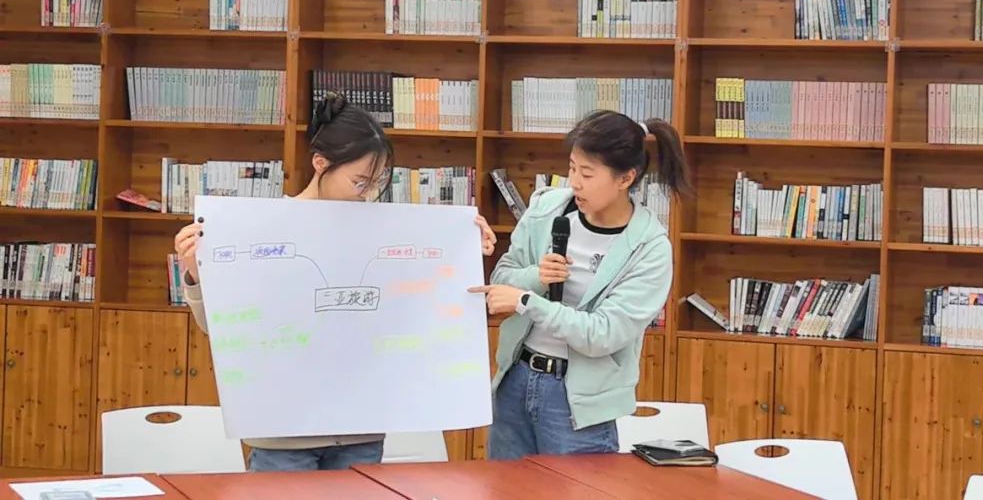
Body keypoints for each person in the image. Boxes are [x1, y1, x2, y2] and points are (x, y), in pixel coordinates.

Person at [173, 94, 497, 471]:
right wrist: (196, 274)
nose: (367, 193)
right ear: (320, 163)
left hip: (360, 430)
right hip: (283, 432)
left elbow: (418, 310)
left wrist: (463, 253)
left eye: (376, 182)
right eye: (359, 181)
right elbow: (222, 328)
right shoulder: (261, 229)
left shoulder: (386, 233)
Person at [468, 110, 692, 459]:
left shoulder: (649, 248)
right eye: (572, 168)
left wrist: (528, 301)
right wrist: (536, 277)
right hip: (515, 380)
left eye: (587, 173)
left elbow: (602, 334)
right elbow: (502, 278)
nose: (574, 182)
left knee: (577, 486)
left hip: (579, 404)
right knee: (503, 486)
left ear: (625, 178)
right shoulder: (547, 209)